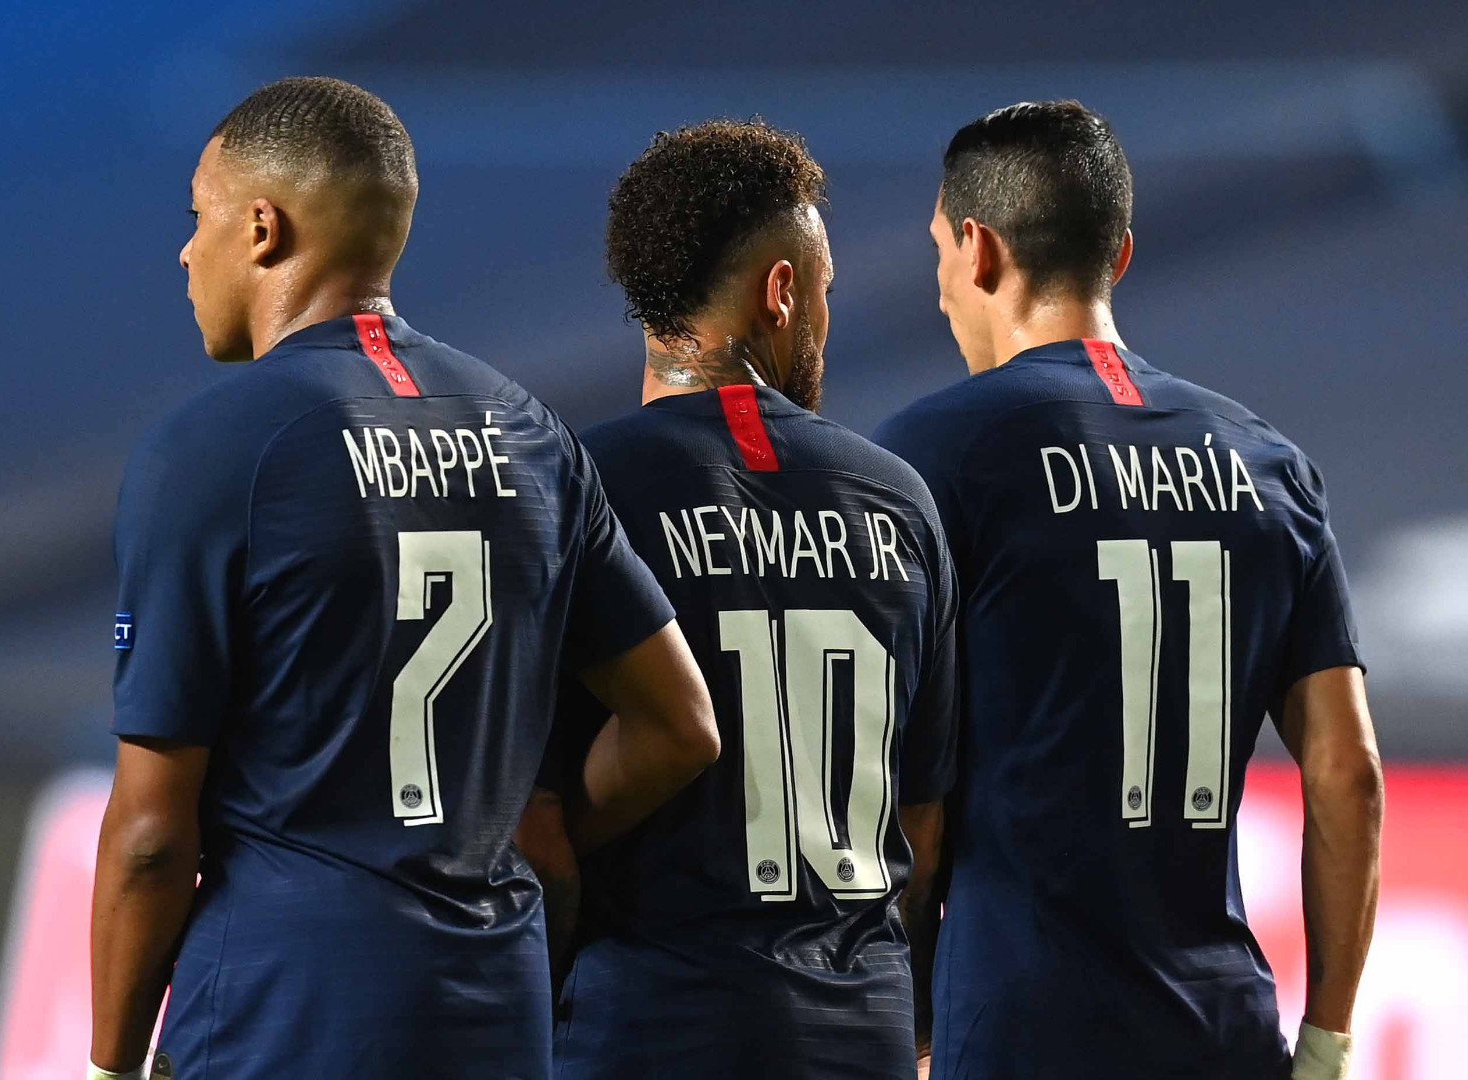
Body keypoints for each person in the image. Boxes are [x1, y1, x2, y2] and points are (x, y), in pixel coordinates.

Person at [86, 77, 718, 1080]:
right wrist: (524, 835)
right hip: (493, 1014)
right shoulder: (531, 435)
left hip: (282, 1016)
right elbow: (680, 726)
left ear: (262, 229)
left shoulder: (207, 451)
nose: (186, 252)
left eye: (198, 217)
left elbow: (153, 838)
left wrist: (112, 1066)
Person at [874, 100, 1383, 1080]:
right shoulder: (1268, 464)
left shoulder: (933, 455)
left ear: (979, 249)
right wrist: (1325, 1040)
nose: (940, 290)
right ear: (1121, 254)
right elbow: (1347, 770)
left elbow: (909, 805)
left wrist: (913, 1026)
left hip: (1021, 1030)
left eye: (939, 251)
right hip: (1223, 1032)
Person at [529, 120, 958, 1080]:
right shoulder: (899, 500)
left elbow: (534, 824)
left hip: (643, 1029)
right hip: (859, 1034)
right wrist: (910, 1026)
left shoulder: (577, 489)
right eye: (826, 292)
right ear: (782, 291)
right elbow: (922, 832)